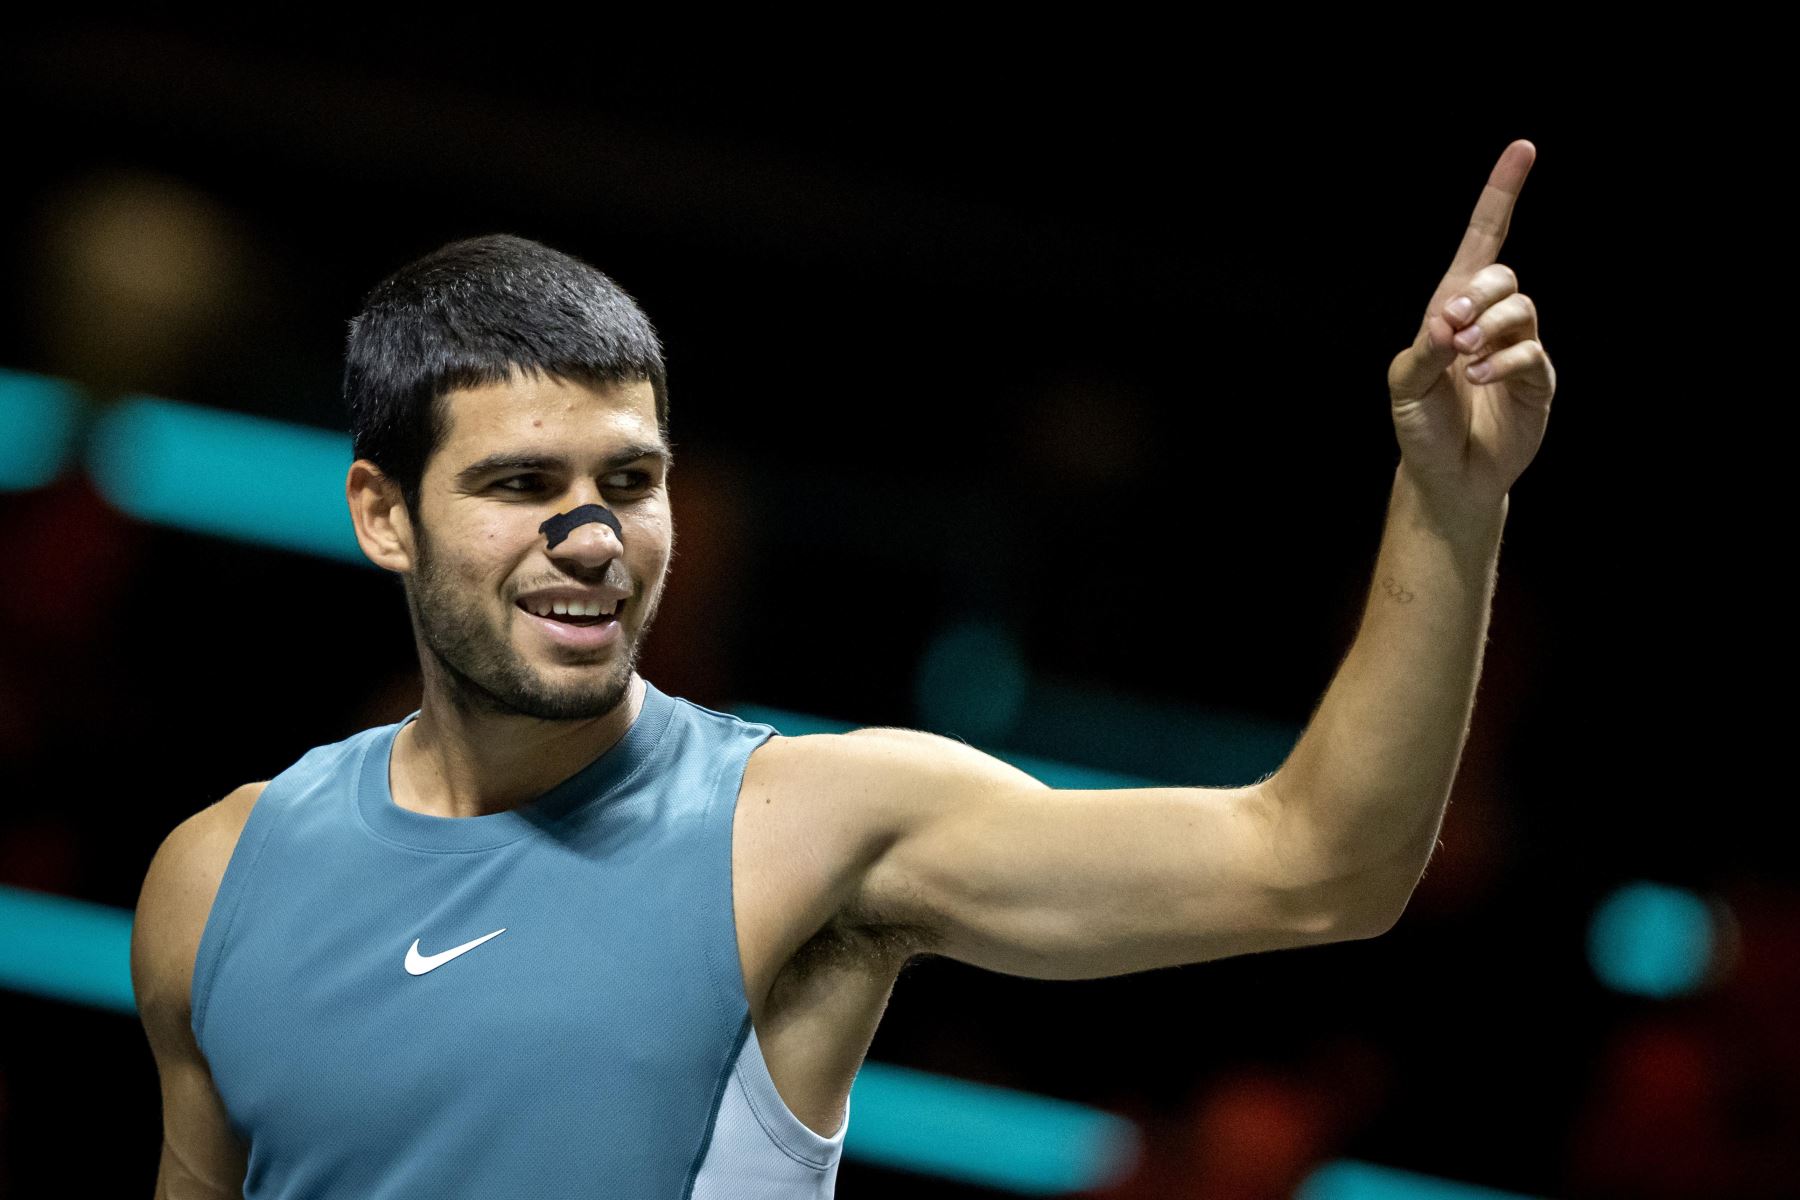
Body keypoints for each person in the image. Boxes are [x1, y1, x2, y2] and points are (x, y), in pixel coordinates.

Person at [130, 139, 1555, 1198]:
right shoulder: (214, 878)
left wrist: (1451, 495)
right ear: (385, 513)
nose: (589, 538)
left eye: (630, 480)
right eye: (519, 483)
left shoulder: (811, 822)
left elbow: (1321, 865)